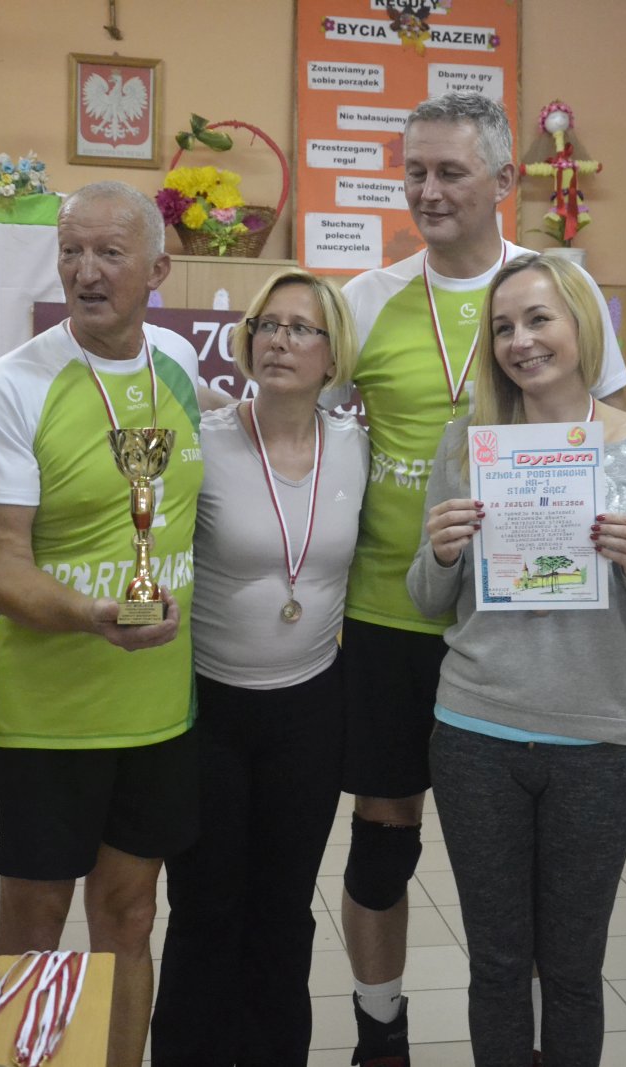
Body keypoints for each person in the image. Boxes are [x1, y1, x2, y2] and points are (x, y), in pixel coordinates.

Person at [334, 90, 626, 1066]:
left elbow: (616, 441)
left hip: (562, 678)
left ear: (502, 180)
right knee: (387, 845)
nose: (427, 189)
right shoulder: (367, 302)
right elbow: (304, 425)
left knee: (561, 954)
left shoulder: (556, 295)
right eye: (414, 171)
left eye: (450, 170)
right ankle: (379, 1028)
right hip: (402, 624)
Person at [406, 252, 626, 1065]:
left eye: (539, 319)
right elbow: (426, 598)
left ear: (582, 325)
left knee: (572, 971)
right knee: (498, 966)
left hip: (599, 743)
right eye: (503, 327)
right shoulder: (467, 443)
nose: (521, 341)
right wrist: (441, 551)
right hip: (477, 732)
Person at [0, 181, 210, 1067]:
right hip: (48, 718)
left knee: (131, 915)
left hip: (158, 712)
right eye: (71, 251)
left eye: (109, 252)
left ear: (157, 270)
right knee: (33, 927)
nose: (86, 272)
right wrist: (96, 617)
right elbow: (2, 567)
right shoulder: (10, 387)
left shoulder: (179, 364)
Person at [149, 270, 368, 1065]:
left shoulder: (358, 446)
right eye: (267, 325)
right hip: (209, 707)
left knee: (283, 909)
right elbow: (123, 527)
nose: (279, 340)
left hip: (309, 710)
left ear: (332, 353)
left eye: (301, 328)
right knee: (205, 906)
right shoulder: (203, 440)